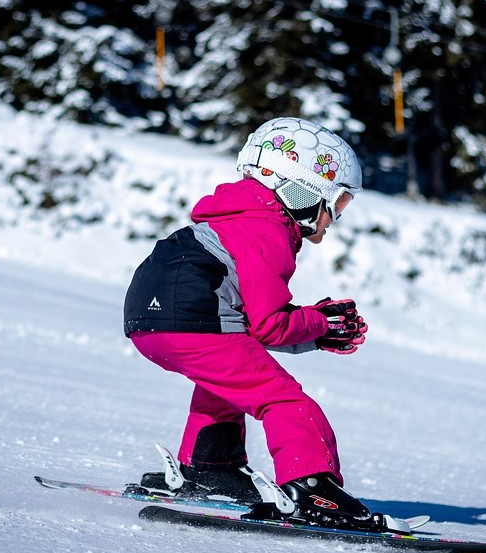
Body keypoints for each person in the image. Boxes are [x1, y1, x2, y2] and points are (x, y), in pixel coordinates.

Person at [123, 117, 372, 527]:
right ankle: (311, 490)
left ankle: (212, 466)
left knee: (227, 379)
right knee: (284, 400)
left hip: (148, 322)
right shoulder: (267, 229)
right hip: (191, 318)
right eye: (339, 203)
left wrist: (313, 327)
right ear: (303, 190)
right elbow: (269, 325)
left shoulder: (233, 219)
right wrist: (321, 325)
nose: (334, 219)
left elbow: (251, 326)